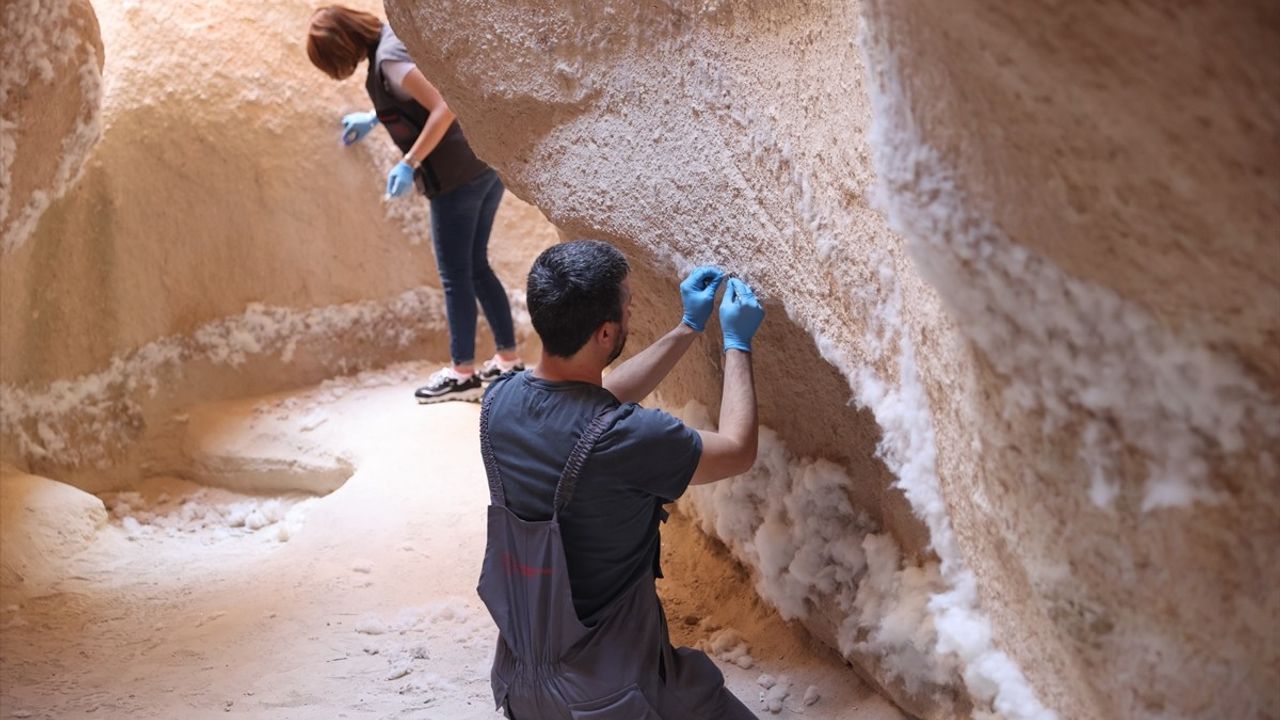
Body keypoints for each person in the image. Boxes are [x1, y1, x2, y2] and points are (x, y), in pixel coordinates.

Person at [477, 240, 764, 719]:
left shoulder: (498, 404)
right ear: (607, 333)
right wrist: (738, 344)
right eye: (628, 305)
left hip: (521, 687)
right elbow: (737, 450)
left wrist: (688, 328)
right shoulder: (629, 439)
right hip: (610, 697)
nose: (632, 309)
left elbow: (592, 396)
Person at [306, 6, 523, 403]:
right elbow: (416, 96)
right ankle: (508, 361)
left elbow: (443, 106)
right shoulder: (393, 39)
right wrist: (376, 118)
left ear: (343, 46)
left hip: (456, 179)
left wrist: (409, 163)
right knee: (476, 267)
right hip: (483, 166)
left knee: (456, 275)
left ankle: (462, 374)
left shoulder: (388, 58)